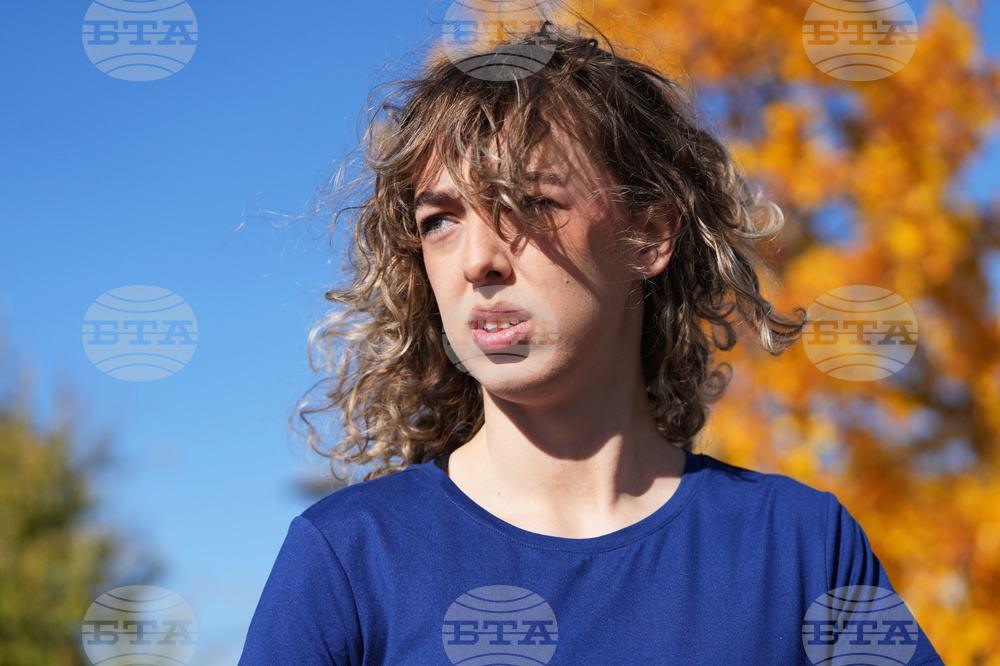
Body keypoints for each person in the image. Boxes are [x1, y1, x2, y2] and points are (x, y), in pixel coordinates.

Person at [239, 13, 942, 665]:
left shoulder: (799, 549)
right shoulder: (350, 559)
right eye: (440, 220)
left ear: (652, 235)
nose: (478, 260)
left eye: (532, 204)